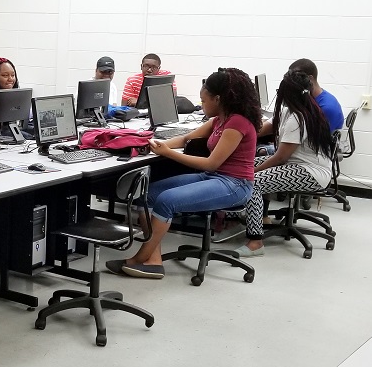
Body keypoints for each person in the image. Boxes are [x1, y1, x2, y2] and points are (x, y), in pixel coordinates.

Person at [106, 68, 261, 279]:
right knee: (146, 195)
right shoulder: (219, 120)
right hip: (216, 178)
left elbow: (210, 164)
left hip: (235, 185)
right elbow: (186, 138)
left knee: (167, 200)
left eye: (204, 101)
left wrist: (168, 153)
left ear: (218, 99)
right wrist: (153, 145)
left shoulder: (237, 123)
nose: (202, 105)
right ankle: (154, 261)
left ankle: (138, 259)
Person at [234, 71, 334, 257]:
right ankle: (262, 218)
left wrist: (251, 171)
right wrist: (236, 129)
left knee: (253, 181)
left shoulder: (298, 118)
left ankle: (255, 242)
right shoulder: (292, 110)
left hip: (310, 171)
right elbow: (264, 128)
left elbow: (279, 158)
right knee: (245, 165)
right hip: (297, 164)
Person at [289, 58, 344, 132]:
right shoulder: (311, 97)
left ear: (309, 79)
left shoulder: (326, 107)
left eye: (296, 78)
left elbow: (317, 140)